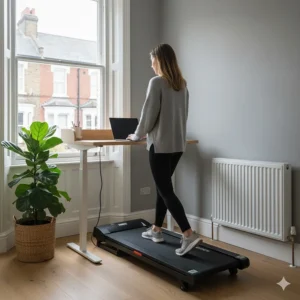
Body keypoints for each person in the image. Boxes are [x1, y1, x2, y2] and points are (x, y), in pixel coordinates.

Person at [127, 43, 202, 256]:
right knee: (163, 187)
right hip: (178, 144)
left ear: (159, 60)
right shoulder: (182, 84)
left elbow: (149, 114)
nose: (151, 65)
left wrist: (137, 134)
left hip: (159, 145)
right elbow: (183, 115)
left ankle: (188, 234)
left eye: (152, 61)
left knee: (166, 190)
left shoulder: (157, 82)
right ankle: (156, 230)